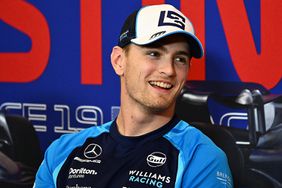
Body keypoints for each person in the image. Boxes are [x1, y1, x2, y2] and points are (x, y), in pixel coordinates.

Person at [34, 4, 233, 188]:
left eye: (180, 59)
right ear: (119, 61)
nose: (169, 70)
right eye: (154, 53)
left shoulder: (201, 159)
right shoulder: (62, 152)